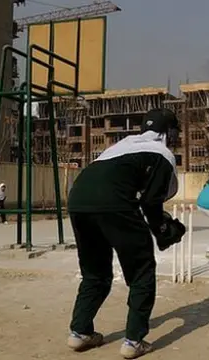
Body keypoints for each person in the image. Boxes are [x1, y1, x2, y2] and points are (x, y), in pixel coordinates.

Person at [65, 108, 185, 359]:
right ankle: (133, 340)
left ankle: (79, 333)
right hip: (114, 203)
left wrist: (159, 227)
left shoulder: (120, 146)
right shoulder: (161, 153)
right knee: (141, 270)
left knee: (95, 273)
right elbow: (152, 203)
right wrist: (164, 230)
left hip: (78, 200)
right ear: (168, 133)